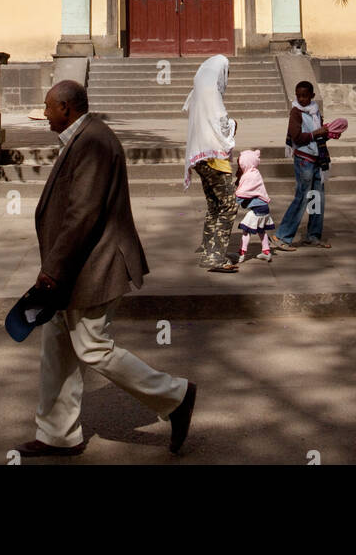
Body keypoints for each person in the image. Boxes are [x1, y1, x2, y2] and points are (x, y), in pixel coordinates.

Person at [18, 80, 197, 457]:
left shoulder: (94, 142)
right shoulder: (83, 137)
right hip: (78, 267)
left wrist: (53, 268)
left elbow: (82, 214)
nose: (44, 114)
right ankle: (57, 435)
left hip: (92, 266)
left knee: (92, 347)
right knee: (58, 348)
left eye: (48, 108)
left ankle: (175, 395)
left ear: (66, 108)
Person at [183, 53, 239, 273]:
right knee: (229, 205)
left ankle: (211, 250)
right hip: (214, 158)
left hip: (200, 156)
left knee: (215, 205)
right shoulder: (211, 95)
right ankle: (215, 257)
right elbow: (221, 125)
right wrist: (234, 124)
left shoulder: (200, 92)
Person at [270, 80, 332, 251]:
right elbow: (297, 136)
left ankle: (313, 235)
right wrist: (315, 133)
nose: (302, 99)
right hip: (304, 159)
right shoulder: (296, 112)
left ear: (312, 96)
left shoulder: (315, 111)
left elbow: (318, 134)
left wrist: (328, 132)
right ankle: (282, 236)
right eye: (299, 96)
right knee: (302, 197)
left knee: (317, 197)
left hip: (318, 158)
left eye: (305, 96)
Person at [234, 149, 275, 263]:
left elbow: (242, 192)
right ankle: (266, 252)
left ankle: (241, 253)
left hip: (257, 210)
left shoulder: (248, 176)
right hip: (264, 208)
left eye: (240, 164)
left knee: (246, 230)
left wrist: (236, 198)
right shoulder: (255, 172)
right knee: (261, 230)